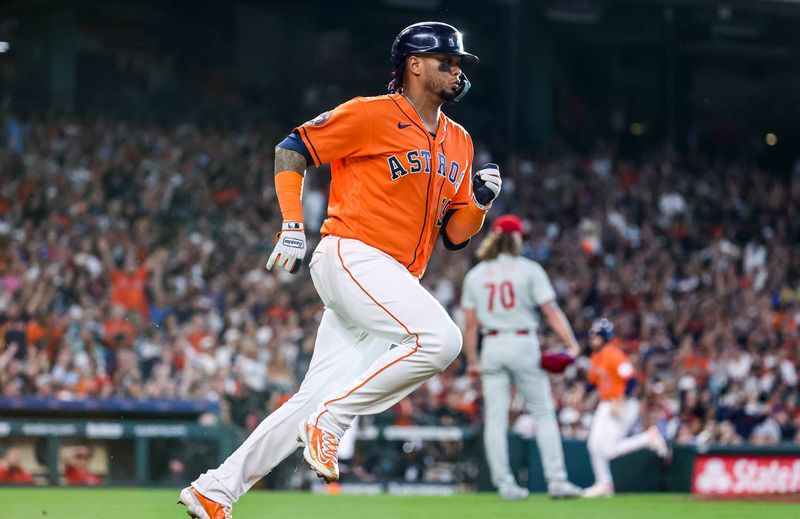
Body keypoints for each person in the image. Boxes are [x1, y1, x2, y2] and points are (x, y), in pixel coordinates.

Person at [180, 21, 502, 518]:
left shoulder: (459, 141)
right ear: (414, 65)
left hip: (391, 277)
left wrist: (478, 203)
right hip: (352, 254)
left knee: (311, 400)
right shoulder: (371, 113)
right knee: (443, 340)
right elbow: (291, 149)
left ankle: (213, 491)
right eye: (447, 61)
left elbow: (456, 237)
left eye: (459, 63)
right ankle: (335, 420)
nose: (457, 71)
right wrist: (292, 224)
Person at [461, 214, 583, 500]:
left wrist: (473, 361)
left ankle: (505, 485)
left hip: (491, 344)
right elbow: (551, 311)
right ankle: (556, 481)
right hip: (522, 342)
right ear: (515, 238)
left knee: (495, 419)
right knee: (542, 413)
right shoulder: (529, 269)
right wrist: (571, 344)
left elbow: (470, 326)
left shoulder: (476, 274)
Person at [582, 318, 669, 498]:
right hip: (606, 404)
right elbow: (592, 382)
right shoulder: (596, 356)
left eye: (596, 336)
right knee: (593, 445)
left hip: (623, 404)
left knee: (608, 450)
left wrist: (620, 400)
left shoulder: (613, 354)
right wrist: (581, 392)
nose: (592, 339)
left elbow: (631, 379)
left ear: (604, 337)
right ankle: (604, 484)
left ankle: (647, 438)